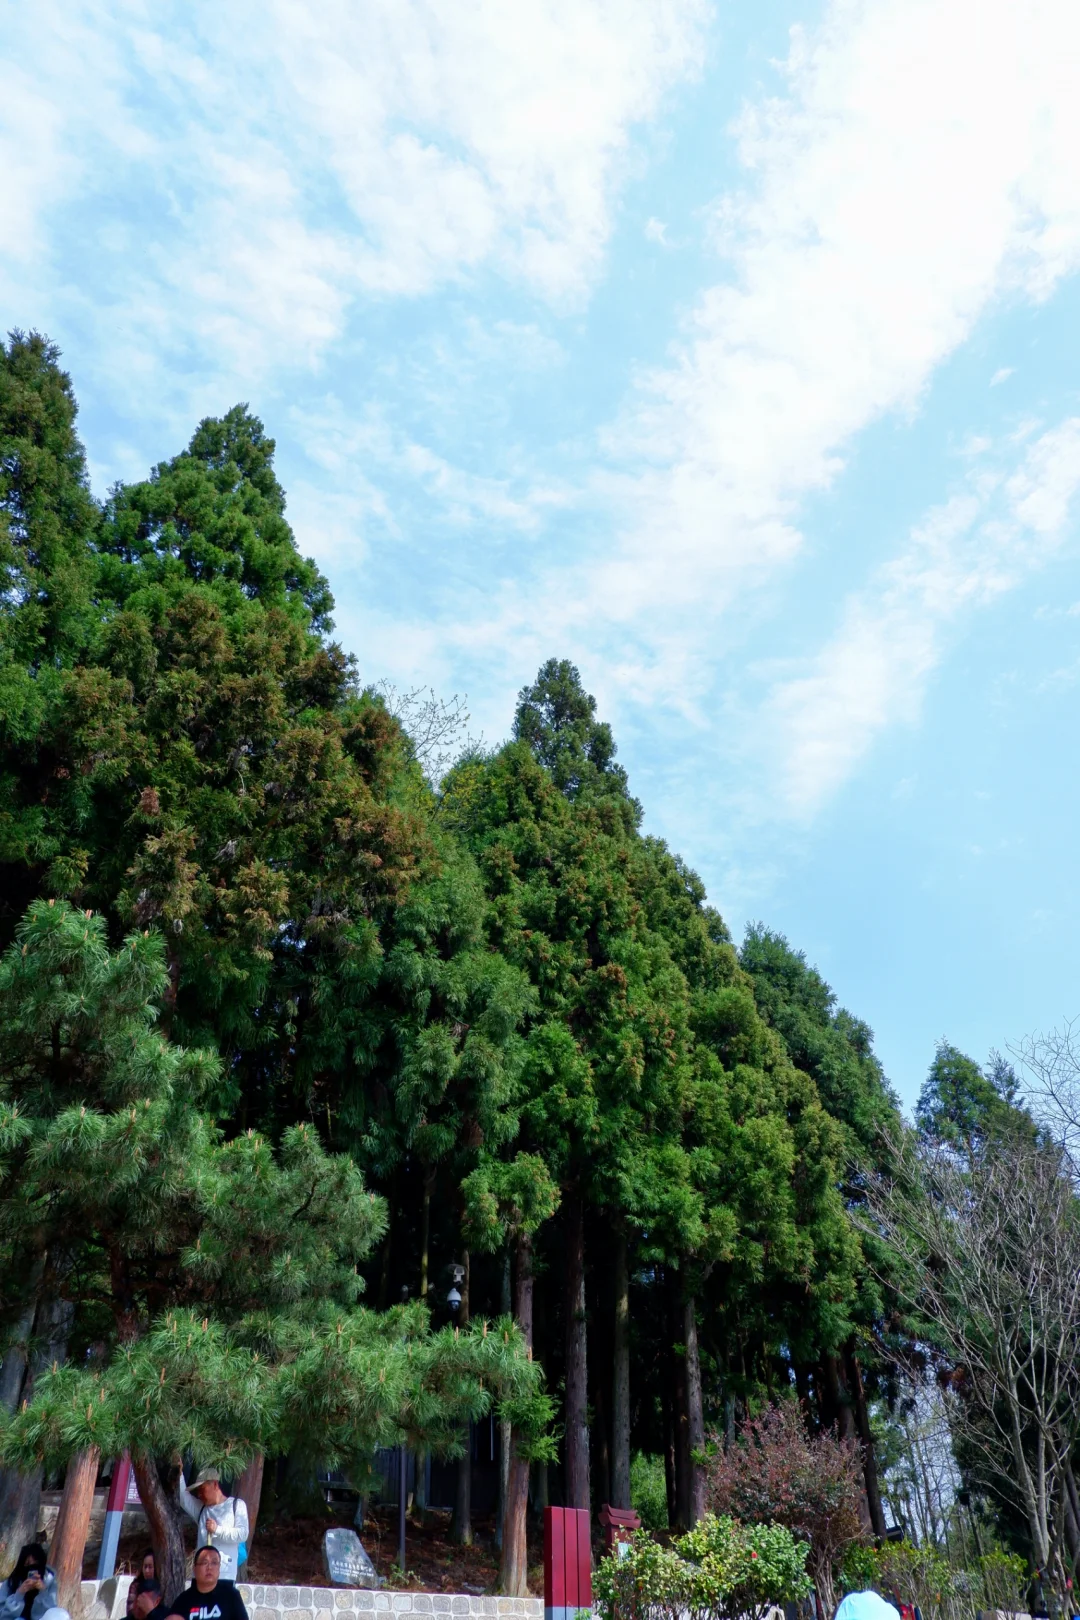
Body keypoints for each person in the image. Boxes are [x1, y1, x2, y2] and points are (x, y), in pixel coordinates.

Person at [177, 1468, 248, 1584]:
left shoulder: (236, 1506)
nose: (199, 1495)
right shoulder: (202, 1510)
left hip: (225, 1577)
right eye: (198, 1491)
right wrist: (180, 1474)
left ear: (215, 1484)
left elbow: (242, 1534)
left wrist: (217, 1530)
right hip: (201, 1577)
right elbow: (184, 1499)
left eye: (202, 1489)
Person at [166, 1547, 248, 1620]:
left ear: (219, 1568)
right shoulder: (183, 1600)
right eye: (204, 1563)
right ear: (194, 1569)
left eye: (214, 1563)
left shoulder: (231, 1595)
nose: (209, 1567)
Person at [1, 1546, 59, 1620]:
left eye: (36, 1564)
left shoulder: (49, 1582)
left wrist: (43, 1592)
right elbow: (3, 1616)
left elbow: (50, 1614)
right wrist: (19, 1594)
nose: (32, 1569)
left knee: (62, 1614)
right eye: (28, 1564)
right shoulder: (11, 1582)